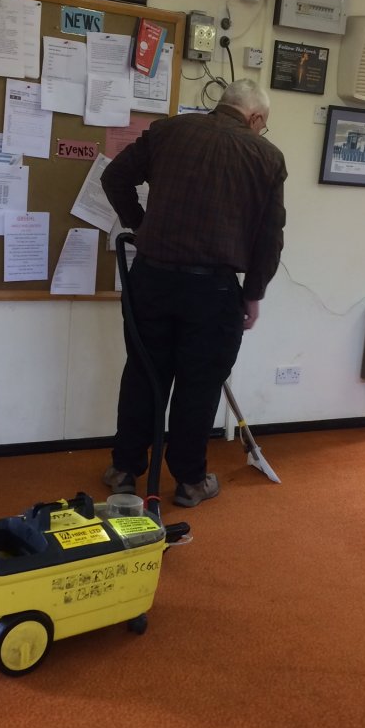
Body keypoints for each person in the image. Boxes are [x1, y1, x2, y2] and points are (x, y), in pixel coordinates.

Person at [100, 78, 287, 508]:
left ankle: (125, 470)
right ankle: (189, 482)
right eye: (264, 124)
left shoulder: (169, 131)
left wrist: (141, 225)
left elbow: (115, 178)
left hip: (151, 279)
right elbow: (269, 237)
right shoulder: (266, 157)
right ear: (255, 117)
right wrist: (253, 293)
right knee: (199, 386)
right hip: (214, 289)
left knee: (144, 375)